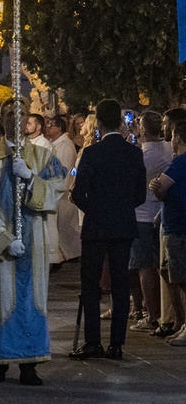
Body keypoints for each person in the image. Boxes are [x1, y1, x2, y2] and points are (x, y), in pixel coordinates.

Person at [0, 99, 68, 385]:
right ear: (1, 119)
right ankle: (0, 359)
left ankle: (29, 362)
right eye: (9, 114)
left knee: (31, 300)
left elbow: (59, 186)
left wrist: (31, 179)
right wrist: (2, 238)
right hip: (1, 243)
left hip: (33, 239)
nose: (15, 118)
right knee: (0, 299)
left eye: (21, 114)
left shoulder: (43, 157)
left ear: (29, 119)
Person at [68, 99, 147, 360]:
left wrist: (97, 209)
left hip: (96, 226)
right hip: (123, 226)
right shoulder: (134, 153)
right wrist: (120, 208)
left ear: (99, 122)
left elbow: (78, 194)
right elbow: (139, 195)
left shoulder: (91, 153)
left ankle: (93, 341)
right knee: (120, 284)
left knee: (91, 284)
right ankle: (116, 344)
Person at [129, 110, 172, 334]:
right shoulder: (168, 149)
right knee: (162, 267)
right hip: (161, 212)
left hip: (142, 214)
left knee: (145, 267)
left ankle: (151, 314)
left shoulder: (141, 155)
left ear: (142, 128)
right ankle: (165, 312)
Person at [150, 119, 186, 346]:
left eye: (172, 135)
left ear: (178, 138)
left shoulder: (179, 163)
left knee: (183, 280)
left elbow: (161, 188)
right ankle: (182, 324)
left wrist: (156, 186)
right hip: (176, 225)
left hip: (178, 228)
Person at [44, 113, 81, 265]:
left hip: (63, 195)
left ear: (59, 128)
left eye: (50, 125)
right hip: (58, 193)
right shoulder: (55, 143)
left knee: (66, 229)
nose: (47, 128)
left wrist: (61, 188)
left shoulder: (65, 145)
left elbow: (68, 169)